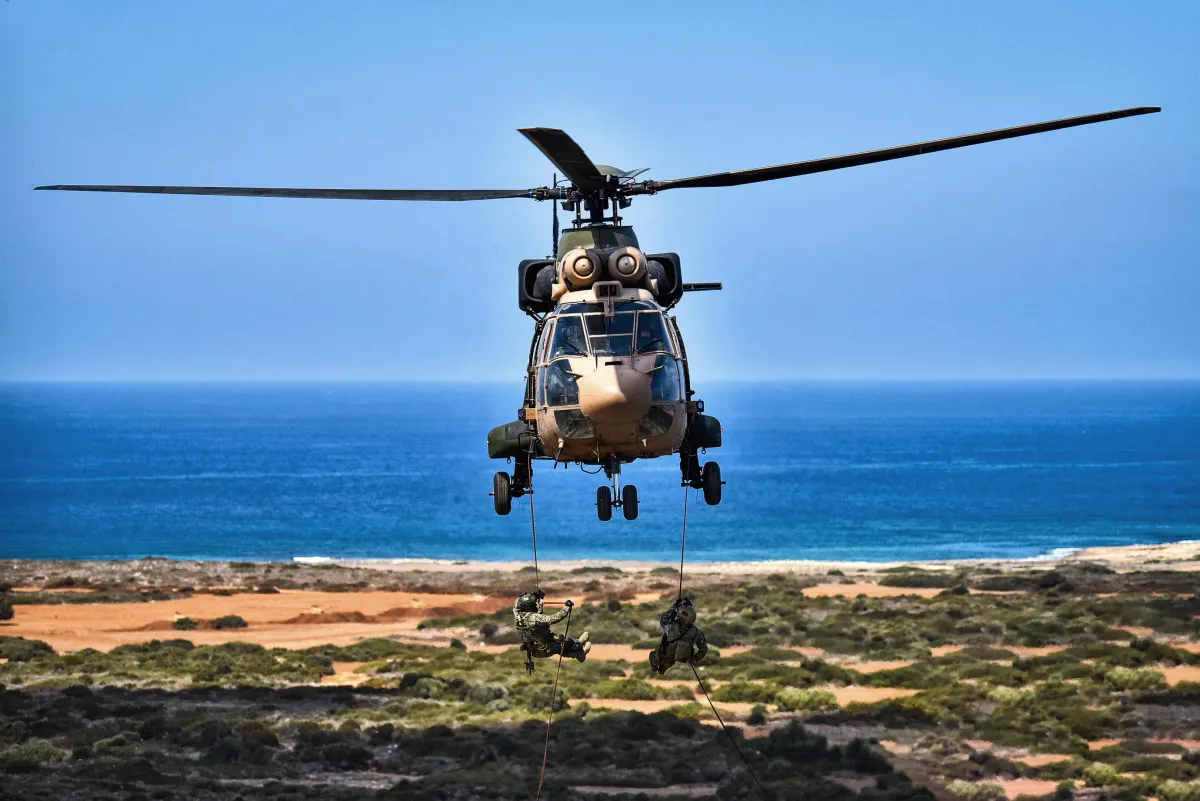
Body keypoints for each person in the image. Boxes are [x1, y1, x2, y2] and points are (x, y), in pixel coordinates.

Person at [513, 589, 591, 665]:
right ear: (529, 607)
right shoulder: (534, 617)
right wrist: (567, 608)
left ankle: (579, 647)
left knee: (561, 641)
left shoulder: (518, 615)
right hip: (546, 649)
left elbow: (516, 604)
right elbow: (553, 619)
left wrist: (533, 596)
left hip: (534, 651)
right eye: (533, 604)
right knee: (565, 643)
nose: (535, 605)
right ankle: (580, 652)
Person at [650, 596, 707, 674]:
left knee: (657, 658)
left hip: (665, 654)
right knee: (663, 665)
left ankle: (655, 663)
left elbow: (663, 620)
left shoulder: (671, 627)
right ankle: (659, 666)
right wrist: (694, 658)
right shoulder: (696, 632)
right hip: (674, 658)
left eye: (680, 617)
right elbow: (703, 649)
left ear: (684, 619)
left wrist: (673, 608)